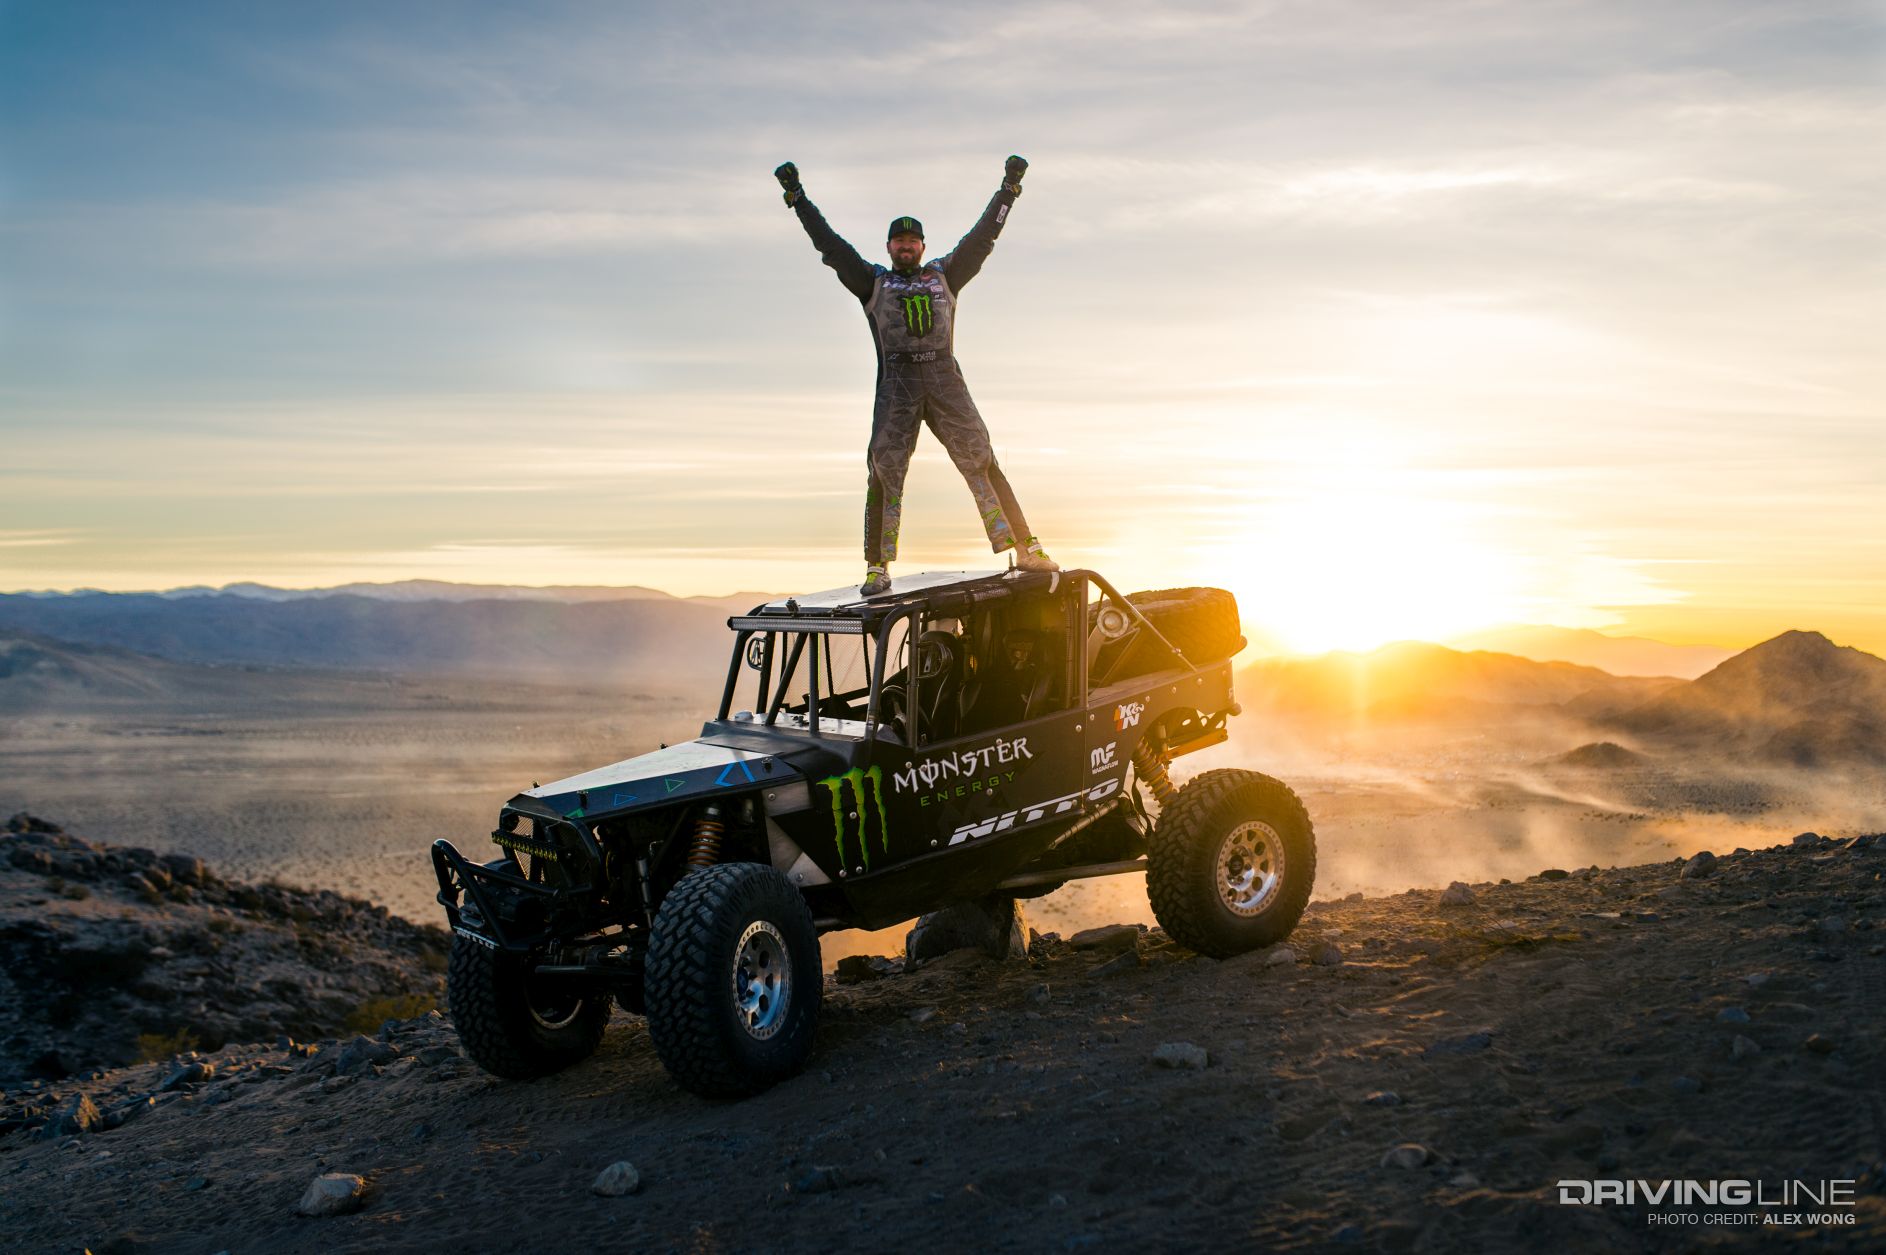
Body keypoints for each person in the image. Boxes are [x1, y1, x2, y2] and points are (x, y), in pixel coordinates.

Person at [774, 155, 1057, 596]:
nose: (905, 246)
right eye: (898, 241)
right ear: (889, 248)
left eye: (912, 240)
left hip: (945, 377)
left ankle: (1025, 547)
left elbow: (983, 238)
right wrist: (798, 200)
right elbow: (830, 246)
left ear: (922, 246)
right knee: (884, 471)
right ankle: (877, 566)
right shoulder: (873, 282)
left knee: (981, 458)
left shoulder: (946, 275)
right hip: (898, 384)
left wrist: (1008, 190)